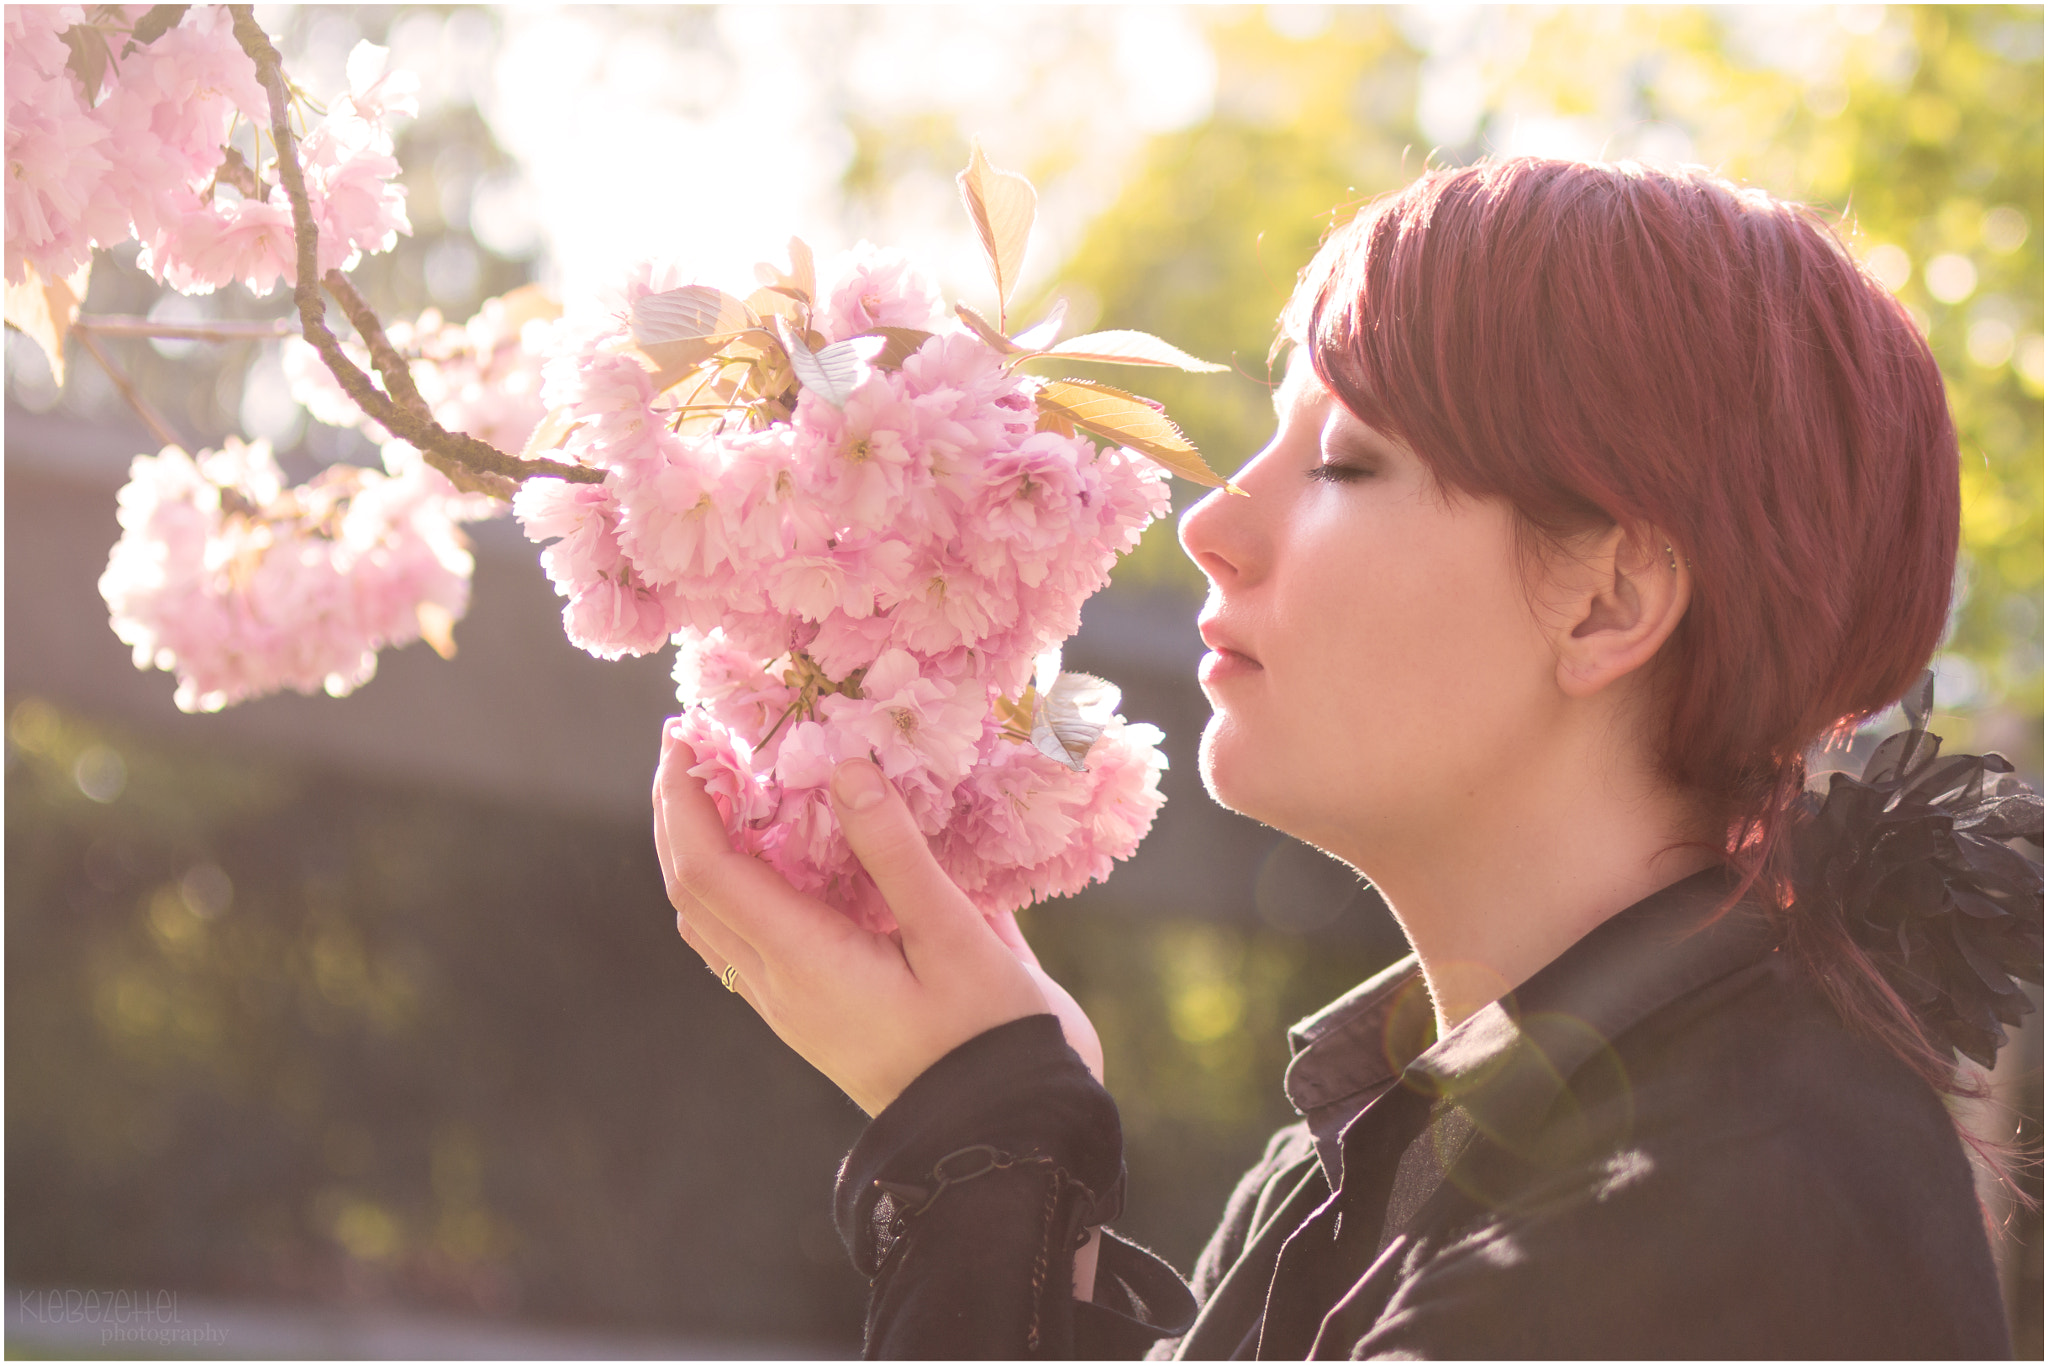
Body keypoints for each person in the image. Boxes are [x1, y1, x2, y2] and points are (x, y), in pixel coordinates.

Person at [652, 157, 2041, 1358]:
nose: (1213, 520)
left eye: (1347, 461)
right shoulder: (1393, 1141)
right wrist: (1005, 1105)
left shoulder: (1722, 1208)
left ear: (1611, 600)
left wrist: (987, 1136)